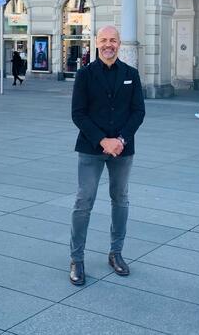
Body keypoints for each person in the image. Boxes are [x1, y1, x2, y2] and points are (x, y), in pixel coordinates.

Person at [69, 25, 145, 286]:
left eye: (113, 40)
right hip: (91, 148)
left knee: (120, 200)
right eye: (104, 40)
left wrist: (120, 139)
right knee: (83, 202)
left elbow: (138, 112)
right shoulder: (85, 74)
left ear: (119, 43)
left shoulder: (131, 74)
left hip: (123, 149)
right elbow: (78, 113)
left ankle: (116, 253)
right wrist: (103, 140)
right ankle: (76, 259)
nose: (108, 44)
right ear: (97, 43)